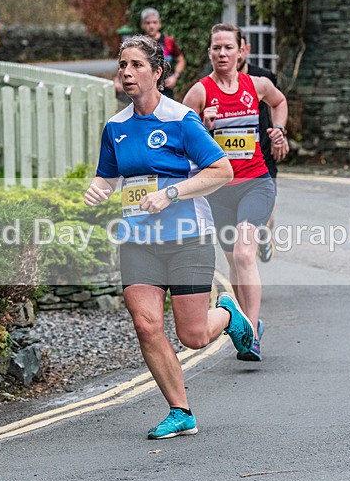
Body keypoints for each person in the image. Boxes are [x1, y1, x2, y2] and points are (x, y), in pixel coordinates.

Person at [85, 34, 254, 440]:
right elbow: (108, 175)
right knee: (146, 325)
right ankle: (181, 411)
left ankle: (228, 314)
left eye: (137, 65)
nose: (127, 72)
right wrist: (98, 189)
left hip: (187, 238)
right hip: (138, 240)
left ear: (158, 72)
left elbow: (222, 171)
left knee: (193, 337)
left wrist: (171, 193)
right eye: (122, 65)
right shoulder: (116, 127)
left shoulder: (181, 120)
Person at [183, 23, 289, 362]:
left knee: (245, 255)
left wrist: (278, 130)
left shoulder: (256, 85)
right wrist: (203, 126)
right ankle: (246, 324)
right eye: (216, 47)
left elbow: (279, 101)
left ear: (241, 51)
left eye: (228, 47)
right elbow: (181, 140)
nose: (222, 53)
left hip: (256, 183)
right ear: (209, 52)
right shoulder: (199, 92)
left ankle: (252, 333)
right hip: (218, 190)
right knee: (233, 261)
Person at [237, 36, 289, 262]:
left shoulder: (263, 77)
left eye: (235, 48)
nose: (230, 54)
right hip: (232, 159)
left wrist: (280, 135)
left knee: (267, 201)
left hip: (263, 148)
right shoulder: (211, 82)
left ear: (245, 50)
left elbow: (279, 104)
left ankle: (263, 234)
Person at [115, 8, 186, 100]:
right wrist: (117, 80)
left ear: (159, 24)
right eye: (147, 23)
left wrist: (175, 76)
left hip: (165, 88)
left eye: (154, 22)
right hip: (142, 88)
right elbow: (125, 62)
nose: (151, 26)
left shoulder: (168, 42)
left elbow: (181, 60)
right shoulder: (137, 44)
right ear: (142, 25)